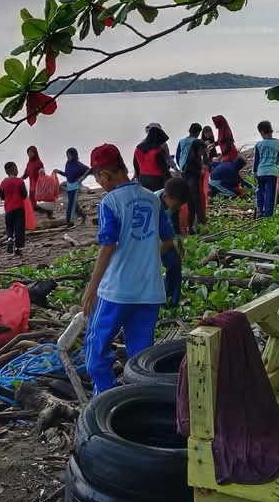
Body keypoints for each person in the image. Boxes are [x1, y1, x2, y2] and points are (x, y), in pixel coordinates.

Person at [82, 144, 176, 395]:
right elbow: (168, 239)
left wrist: (92, 288)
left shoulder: (110, 202)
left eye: (97, 178)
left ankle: (104, 396)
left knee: (96, 346)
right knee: (141, 355)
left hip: (117, 290)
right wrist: (146, 257)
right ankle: (139, 398)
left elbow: (107, 245)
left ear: (104, 175)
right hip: (149, 289)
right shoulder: (152, 198)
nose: (100, 184)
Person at [157, 178, 190, 307]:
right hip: (151, 239)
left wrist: (179, 243)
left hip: (167, 238)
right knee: (152, 270)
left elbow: (175, 222)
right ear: (165, 197)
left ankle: (172, 297)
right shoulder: (152, 203)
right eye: (176, 205)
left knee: (175, 263)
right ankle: (157, 301)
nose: (177, 208)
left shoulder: (173, 203)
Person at [176, 123, 206, 231]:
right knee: (197, 198)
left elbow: (178, 155)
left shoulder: (181, 141)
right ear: (198, 132)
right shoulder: (196, 142)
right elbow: (199, 156)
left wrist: (181, 167)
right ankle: (200, 223)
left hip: (184, 171)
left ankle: (190, 224)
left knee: (189, 198)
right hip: (193, 172)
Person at [253, 121, 279, 218]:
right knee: (270, 193)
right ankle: (268, 214)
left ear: (262, 132)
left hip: (261, 172)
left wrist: (255, 171)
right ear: (271, 130)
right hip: (272, 172)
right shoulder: (278, 144)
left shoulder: (258, 145)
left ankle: (260, 210)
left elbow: (256, 160)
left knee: (260, 191)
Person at [53, 148, 89, 226]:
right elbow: (67, 174)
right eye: (67, 155)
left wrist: (82, 178)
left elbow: (88, 170)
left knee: (70, 205)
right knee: (74, 205)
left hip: (75, 187)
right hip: (69, 187)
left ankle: (69, 222)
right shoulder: (68, 163)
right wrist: (59, 171)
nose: (68, 157)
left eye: (69, 155)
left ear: (74, 155)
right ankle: (83, 216)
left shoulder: (78, 164)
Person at [0, 162, 28, 255]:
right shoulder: (19, 181)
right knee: (18, 228)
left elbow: (2, 196)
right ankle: (17, 247)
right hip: (19, 208)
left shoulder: (3, 182)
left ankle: (9, 240)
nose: (17, 170)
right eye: (16, 168)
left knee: (9, 227)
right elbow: (24, 195)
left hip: (8, 209)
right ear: (13, 169)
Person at [133, 125, 172, 192]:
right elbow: (164, 171)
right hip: (157, 180)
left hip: (143, 178)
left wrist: (138, 177)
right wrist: (171, 182)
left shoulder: (138, 148)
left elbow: (136, 165)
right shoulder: (157, 151)